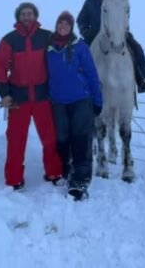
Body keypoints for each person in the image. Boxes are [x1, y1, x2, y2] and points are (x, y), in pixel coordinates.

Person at [0, 2, 63, 191]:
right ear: (18, 17)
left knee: (50, 138)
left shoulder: (47, 36)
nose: (26, 17)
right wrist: (4, 94)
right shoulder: (9, 40)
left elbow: (61, 55)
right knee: (16, 140)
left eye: (30, 13)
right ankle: (14, 179)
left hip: (43, 96)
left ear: (35, 16)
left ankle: (54, 172)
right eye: (23, 14)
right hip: (18, 98)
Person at [46, 11, 103, 201]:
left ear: (71, 27)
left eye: (66, 24)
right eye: (60, 24)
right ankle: (66, 169)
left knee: (81, 139)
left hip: (81, 100)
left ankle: (79, 181)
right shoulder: (49, 48)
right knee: (62, 138)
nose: (63, 27)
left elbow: (92, 74)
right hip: (57, 101)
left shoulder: (80, 47)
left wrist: (97, 100)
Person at [77, 0, 145, 93]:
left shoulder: (113, 0)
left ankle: (143, 79)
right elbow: (81, 20)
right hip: (93, 35)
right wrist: (86, 32)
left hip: (117, 32)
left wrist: (123, 30)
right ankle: (78, 82)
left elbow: (123, 16)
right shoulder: (89, 2)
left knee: (136, 48)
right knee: (79, 52)